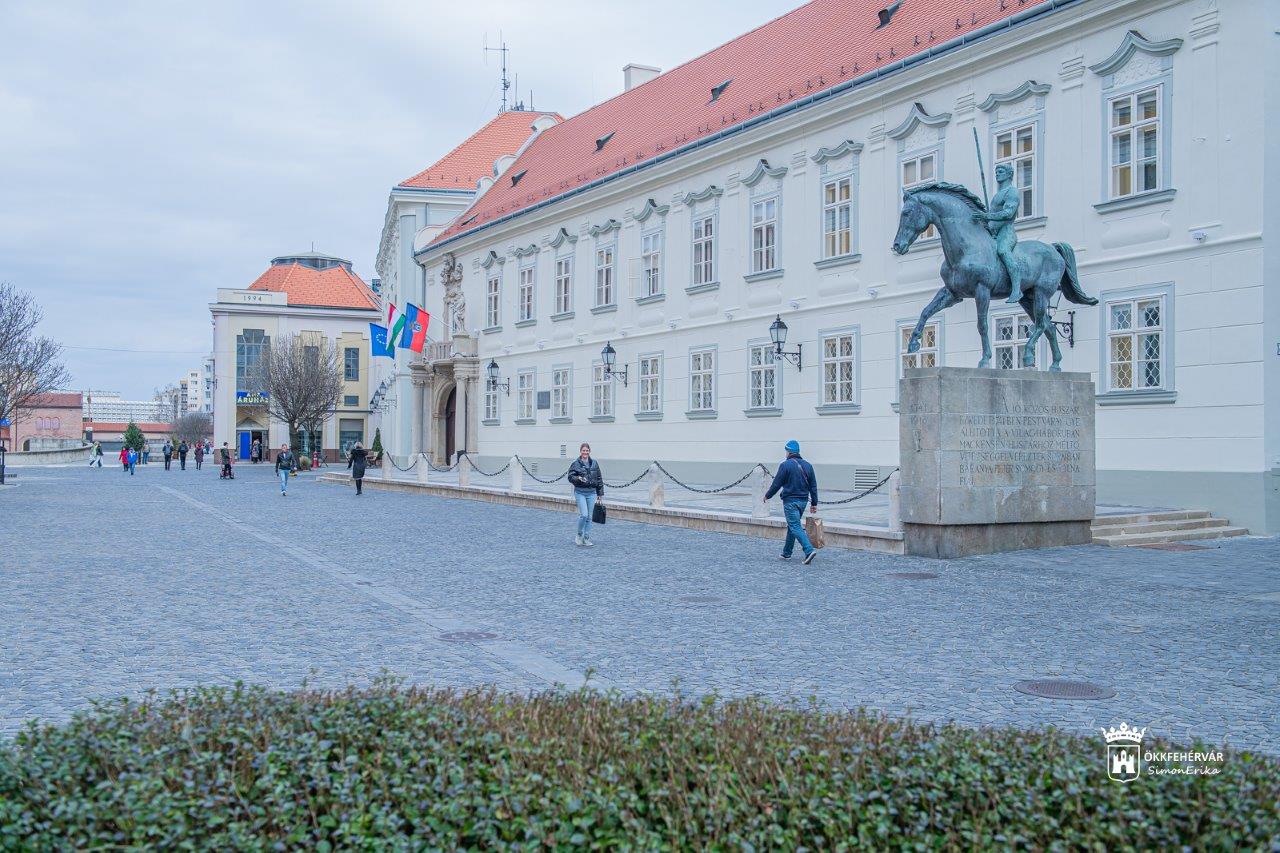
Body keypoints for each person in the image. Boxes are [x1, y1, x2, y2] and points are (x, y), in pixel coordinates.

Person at [971, 162, 1025, 304]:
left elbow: (1008, 213)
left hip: (1006, 231)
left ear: (1009, 174)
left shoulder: (1012, 192)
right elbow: (992, 214)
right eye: (996, 171)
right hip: (993, 231)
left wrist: (987, 216)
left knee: (1002, 251)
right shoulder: (997, 196)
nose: (997, 173)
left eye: (1001, 171)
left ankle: (1017, 289)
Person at [764, 439, 819, 565]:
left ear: (788, 451)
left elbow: (776, 484)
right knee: (792, 526)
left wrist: (767, 495)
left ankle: (809, 550)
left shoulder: (785, 465)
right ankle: (786, 553)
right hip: (803, 501)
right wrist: (814, 503)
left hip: (790, 501)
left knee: (794, 526)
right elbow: (813, 486)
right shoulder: (808, 465)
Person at [567, 442, 604, 547]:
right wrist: (578, 478)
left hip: (592, 493)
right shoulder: (576, 463)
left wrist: (599, 493)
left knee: (589, 517)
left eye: (587, 450)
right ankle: (579, 535)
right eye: (583, 450)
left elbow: (599, 479)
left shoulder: (594, 463)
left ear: (589, 451)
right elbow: (570, 476)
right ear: (580, 451)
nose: (585, 452)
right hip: (580, 492)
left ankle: (586, 538)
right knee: (584, 515)